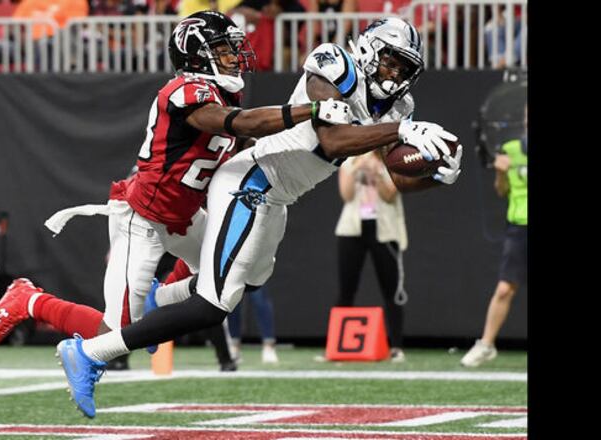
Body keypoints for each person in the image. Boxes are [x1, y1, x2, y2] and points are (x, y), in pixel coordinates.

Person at [55, 16, 463, 418]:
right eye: (391, 60)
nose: (394, 73)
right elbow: (332, 138)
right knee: (215, 304)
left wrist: (437, 175)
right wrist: (399, 132)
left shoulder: (399, 106)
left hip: (279, 197)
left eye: (404, 67)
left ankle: (157, 297)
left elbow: (397, 179)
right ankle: (89, 352)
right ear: (371, 50)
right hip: (249, 182)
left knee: (254, 280)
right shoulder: (334, 63)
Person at [0, 11, 349, 367]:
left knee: (233, 271)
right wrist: (308, 109)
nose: (235, 57)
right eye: (224, 49)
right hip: (145, 218)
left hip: (185, 216)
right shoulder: (185, 91)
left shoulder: (224, 92)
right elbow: (237, 124)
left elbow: (239, 142)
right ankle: (29, 300)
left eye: (233, 48)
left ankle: (159, 299)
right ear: (198, 55)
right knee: (117, 334)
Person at [460, 103, 527, 368]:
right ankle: (487, 344)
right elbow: (502, 191)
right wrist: (501, 173)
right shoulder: (510, 150)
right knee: (504, 288)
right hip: (519, 226)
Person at [334, 150, 409, 362]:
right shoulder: (349, 161)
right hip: (352, 228)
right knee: (346, 289)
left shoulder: (392, 162)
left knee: (391, 290)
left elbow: (390, 194)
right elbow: (346, 194)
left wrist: (376, 174)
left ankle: (396, 346)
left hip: (385, 230)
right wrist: (358, 168)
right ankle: (338, 344)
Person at [227, 285, 279, 363]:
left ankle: (269, 346)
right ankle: (235, 347)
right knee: (233, 300)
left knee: (259, 297)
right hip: (232, 273)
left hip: (254, 273)